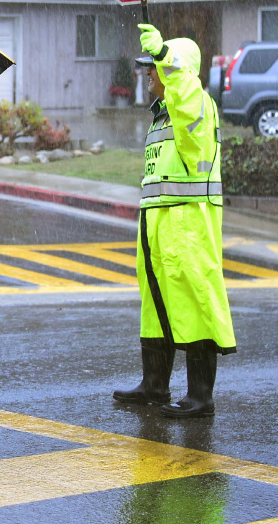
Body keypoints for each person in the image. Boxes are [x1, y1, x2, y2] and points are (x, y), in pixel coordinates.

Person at [113, 24, 236, 419]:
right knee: (157, 303)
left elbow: (186, 94)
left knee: (193, 302)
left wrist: (168, 58)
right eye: (150, 67)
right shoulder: (161, 114)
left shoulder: (194, 103)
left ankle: (200, 397)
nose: (149, 73)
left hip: (188, 223)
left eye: (155, 68)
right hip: (158, 221)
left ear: (175, 70)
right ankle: (155, 385)